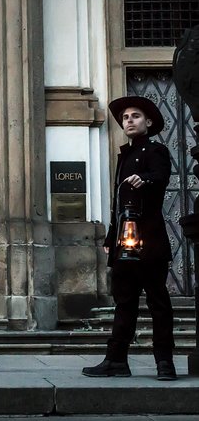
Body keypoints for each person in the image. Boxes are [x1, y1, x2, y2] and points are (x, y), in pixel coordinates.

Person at [82, 96, 176, 381]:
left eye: (135, 116)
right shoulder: (124, 155)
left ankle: (164, 362)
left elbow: (161, 177)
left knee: (158, 302)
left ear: (148, 122)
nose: (129, 121)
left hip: (150, 241)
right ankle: (116, 360)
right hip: (125, 242)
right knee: (124, 303)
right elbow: (118, 203)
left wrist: (144, 179)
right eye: (125, 117)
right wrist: (112, 235)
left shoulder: (156, 150)